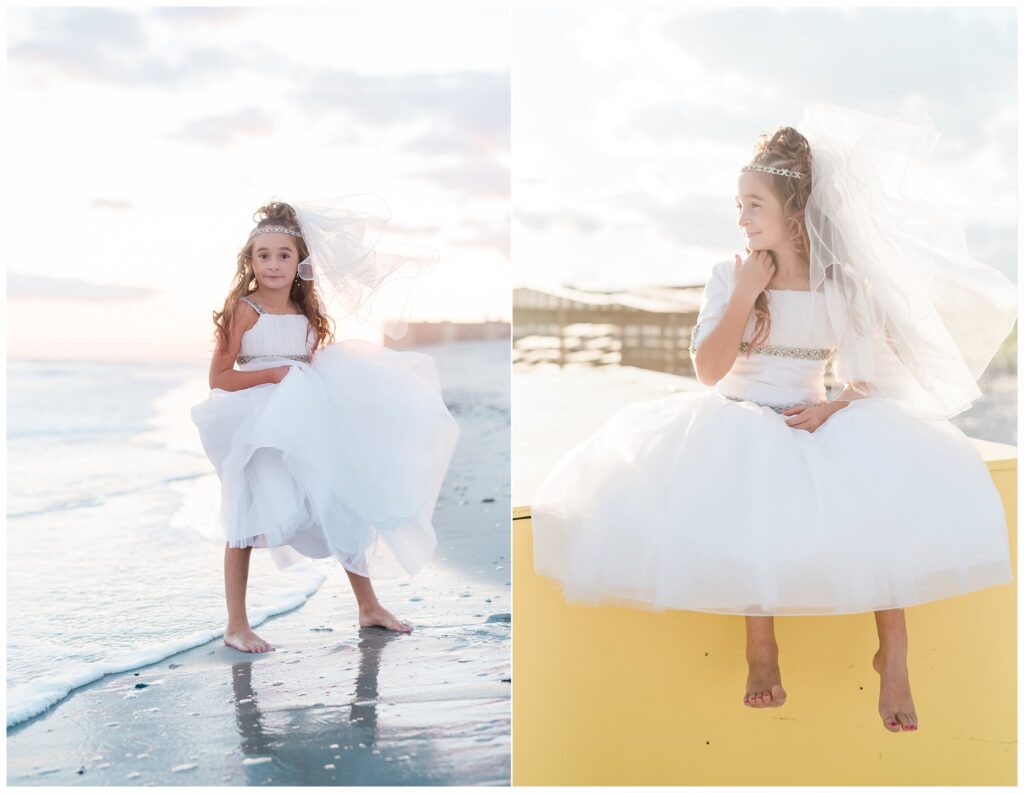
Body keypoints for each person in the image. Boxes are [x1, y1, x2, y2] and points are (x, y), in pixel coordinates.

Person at [530, 105, 1016, 733]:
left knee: (879, 502)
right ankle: (761, 649)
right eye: (738, 205)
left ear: (793, 212)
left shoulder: (841, 285)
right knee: (750, 505)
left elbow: (870, 378)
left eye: (752, 204)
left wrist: (831, 406)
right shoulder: (728, 275)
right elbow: (709, 370)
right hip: (737, 416)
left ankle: (893, 651)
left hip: (810, 416)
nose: (740, 218)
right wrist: (742, 294)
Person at [191, 198, 460, 653]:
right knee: (245, 519)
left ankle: (368, 606)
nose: (273, 264)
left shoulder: (306, 313)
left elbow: (313, 369)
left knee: (343, 501)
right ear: (249, 262)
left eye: (284, 255)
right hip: (258, 428)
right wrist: (272, 374)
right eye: (263, 255)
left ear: (300, 263)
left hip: (306, 421)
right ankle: (236, 624)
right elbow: (220, 378)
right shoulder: (245, 310)